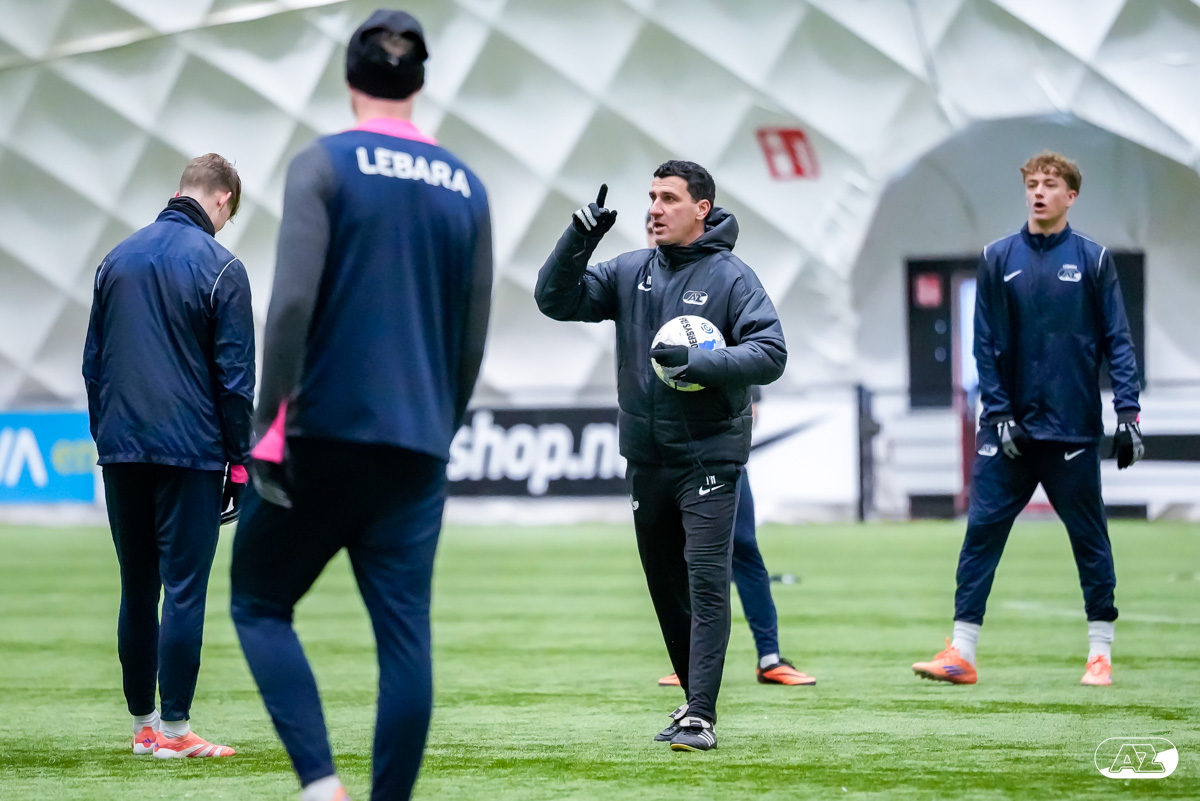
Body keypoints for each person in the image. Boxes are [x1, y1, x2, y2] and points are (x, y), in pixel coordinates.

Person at [228, 10, 492, 801]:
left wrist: (266, 426)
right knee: (405, 639)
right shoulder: (467, 186)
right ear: (419, 82)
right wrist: (439, 427)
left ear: (350, 80)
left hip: (320, 433)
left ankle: (321, 785)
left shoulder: (323, 164)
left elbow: (290, 305)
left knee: (258, 603)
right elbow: (471, 336)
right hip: (416, 445)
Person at [536, 161, 786, 751]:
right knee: (666, 588)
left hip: (708, 459)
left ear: (702, 208)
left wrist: (699, 362)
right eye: (651, 196)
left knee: (706, 585)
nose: (654, 208)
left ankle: (701, 716)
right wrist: (579, 236)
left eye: (669, 198)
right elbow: (554, 299)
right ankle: (693, 701)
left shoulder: (732, 277)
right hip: (646, 460)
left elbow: (771, 352)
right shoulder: (630, 271)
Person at [912, 151, 1143, 688]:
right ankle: (961, 652)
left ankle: (1100, 653)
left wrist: (1128, 412)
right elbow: (985, 343)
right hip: (1007, 433)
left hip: (1072, 430)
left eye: (1050, 184)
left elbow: (1118, 340)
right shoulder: (998, 257)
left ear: (1071, 195)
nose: (1039, 192)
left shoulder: (1094, 259)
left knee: (1090, 540)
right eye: (1032, 183)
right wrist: (999, 413)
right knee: (980, 535)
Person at [82, 153, 253, 758]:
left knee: (137, 586)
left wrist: (110, 439)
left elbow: (93, 366)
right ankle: (176, 732)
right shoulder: (222, 266)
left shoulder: (115, 259)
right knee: (183, 588)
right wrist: (241, 462)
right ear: (223, 198)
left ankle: (144, 728)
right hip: (191, 452)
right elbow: (235, 381)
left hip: (123, 449)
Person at [636, 216, 813, 689]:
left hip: (715, 453)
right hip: (663, 455)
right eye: (649, 222)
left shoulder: (722, 284)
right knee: (676, 558)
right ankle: (689, 661)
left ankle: (770, 656)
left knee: (743, 548)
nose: (656, 227)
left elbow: (754, 365)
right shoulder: (639, 292)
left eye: (663, 212)